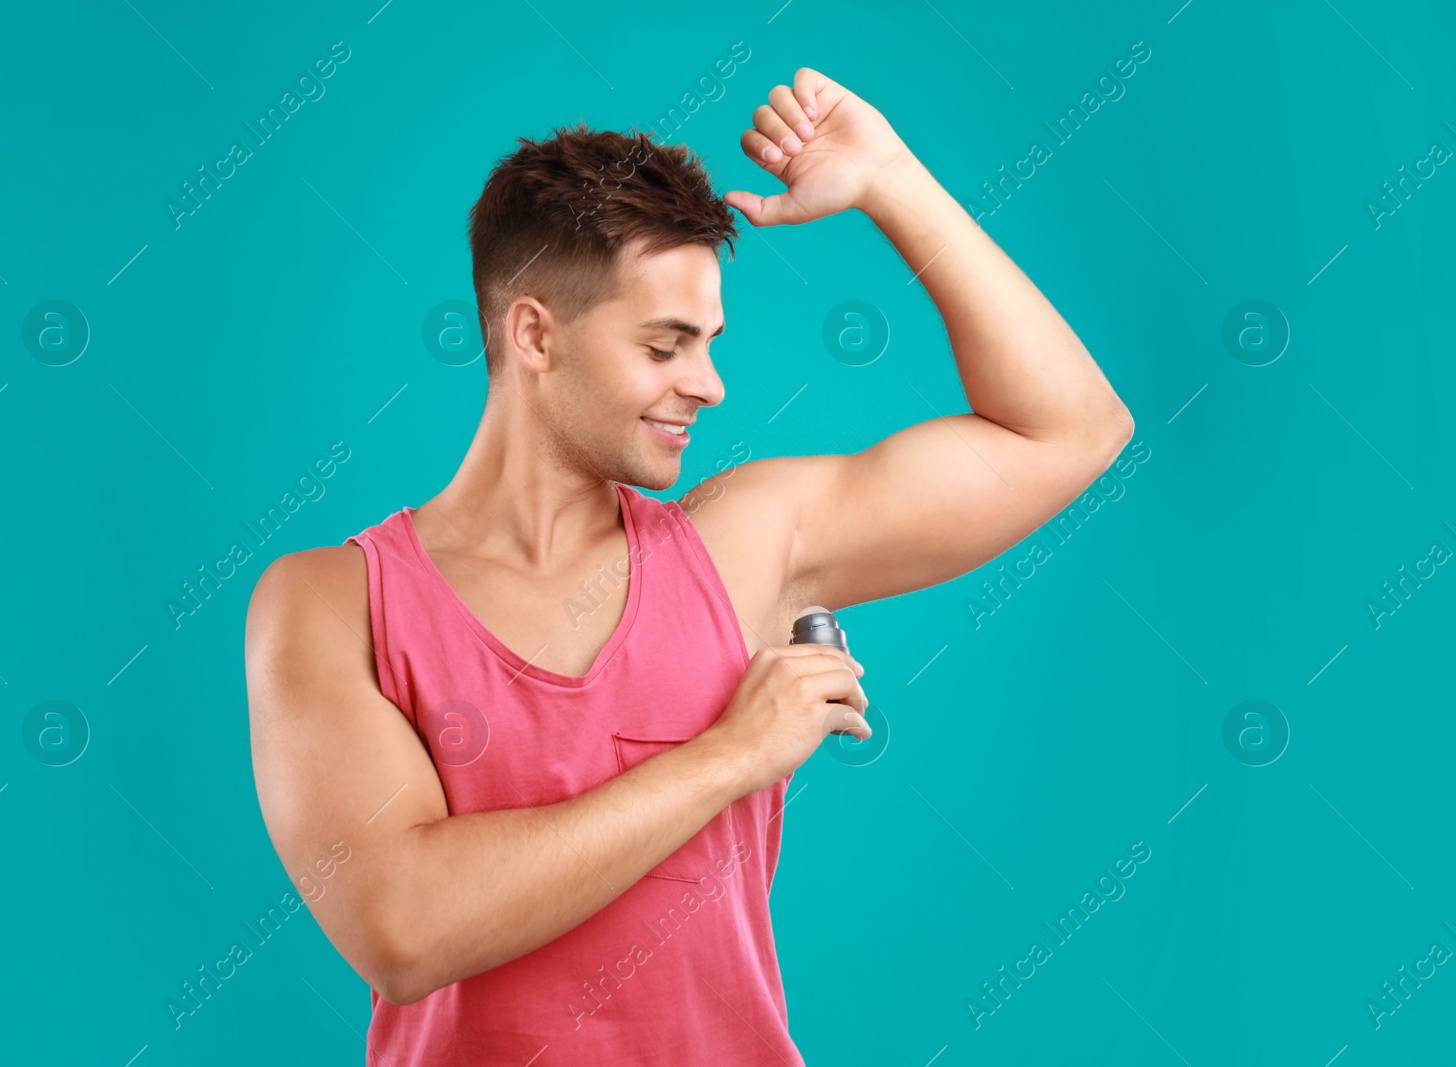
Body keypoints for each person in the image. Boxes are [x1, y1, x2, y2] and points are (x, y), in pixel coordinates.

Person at [245, 66, 1133, 1064]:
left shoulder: (747, 540)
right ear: (534, 332)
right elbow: (403, 928)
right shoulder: (329, 602)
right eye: (665, 346)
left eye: (709, 343)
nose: (707, 386)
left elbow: (1070, 429)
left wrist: (891, 179)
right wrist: (731, 753)